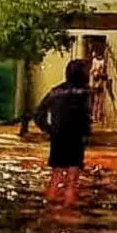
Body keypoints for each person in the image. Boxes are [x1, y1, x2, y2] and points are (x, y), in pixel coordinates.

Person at [35, 59, 92, 207]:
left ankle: (50, 208)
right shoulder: (85, 92)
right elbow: (85, 116)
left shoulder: (54, 91)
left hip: (58, 136)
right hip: (75, 137)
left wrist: (49, 129)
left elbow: (39, 113)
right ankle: (68, 213)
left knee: (56, 176)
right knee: (72, 179)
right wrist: (86, 135)